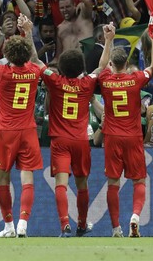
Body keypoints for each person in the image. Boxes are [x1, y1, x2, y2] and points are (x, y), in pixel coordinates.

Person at [42, 28, 113, 237]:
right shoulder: (87, 83)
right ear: (81, 67)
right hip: (81, 141)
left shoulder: (55, 82)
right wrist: (109, 40)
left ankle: (65, 225)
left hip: (60, 141)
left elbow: (37, 63)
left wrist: (27, 33)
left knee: (61, 184)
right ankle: (82, 224)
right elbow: (101, 66)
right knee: (82, 185)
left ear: (61, 68)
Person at [0, 13, 44, 238]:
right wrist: (28, 32)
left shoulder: (2, 73)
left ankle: (9, 226)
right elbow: (36, 60)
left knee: (4, 179)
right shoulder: (34, 72)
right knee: (27, 179)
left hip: (6, 132)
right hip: (28, 131)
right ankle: (23, 223)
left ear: (6, 55)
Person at [98, 25, 153, 237]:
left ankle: (116, 228)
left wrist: (109, 40)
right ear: (126, 64)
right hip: (133, 136)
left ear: (112, 65)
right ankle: (135, 216)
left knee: (113, 182)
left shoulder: (105, 80)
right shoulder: (135, 80)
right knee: (139, 180)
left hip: (112, 137)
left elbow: (101, 65)